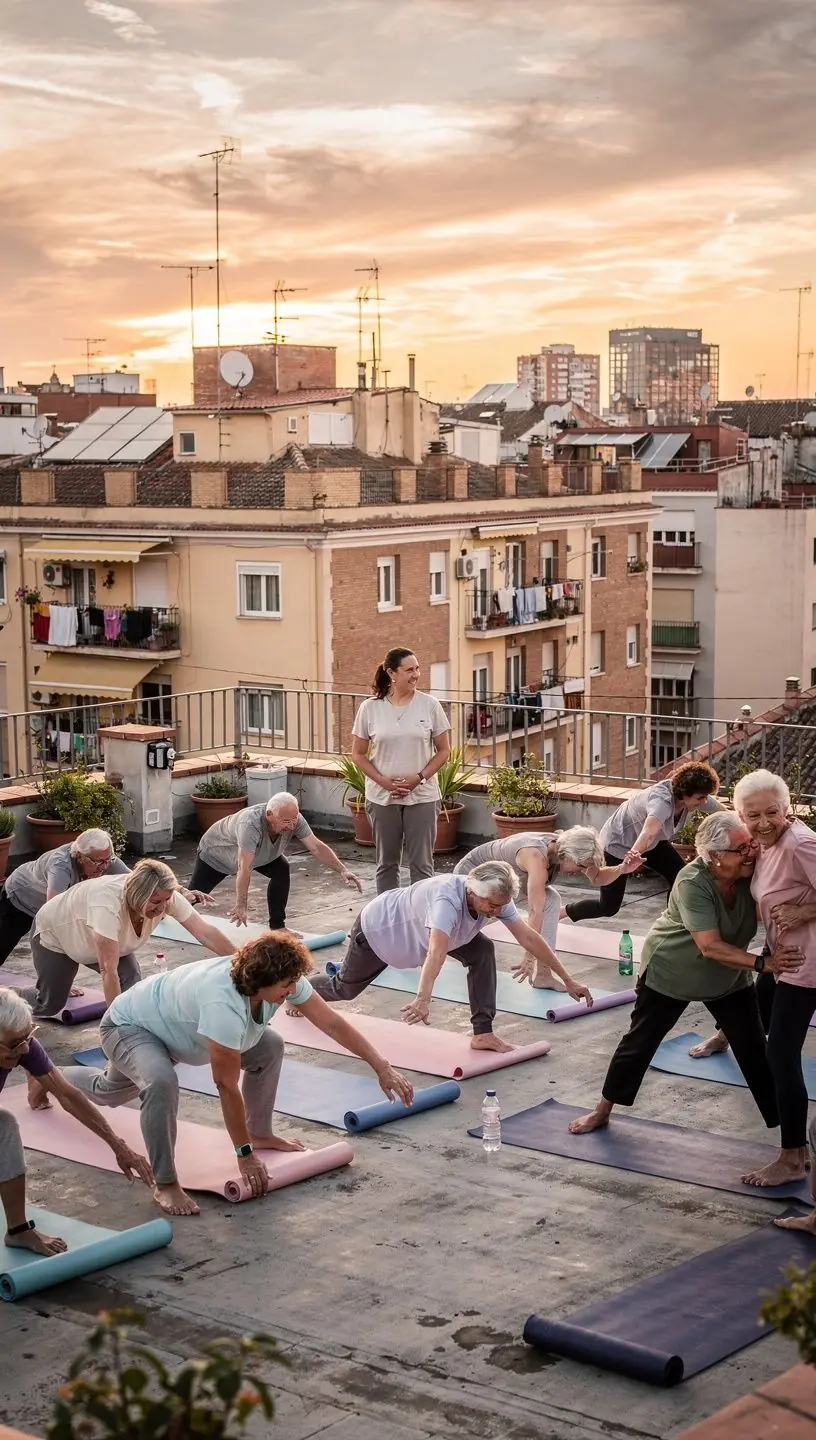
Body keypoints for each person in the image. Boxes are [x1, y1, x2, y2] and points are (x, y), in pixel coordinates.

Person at [64, 932, 415, 1217]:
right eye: (286, 986)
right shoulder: (223, 1004)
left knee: (269, 1046)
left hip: (179, 1028)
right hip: (132, 1027)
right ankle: (165, 1182)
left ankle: (261, 1131)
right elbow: (225, 1085)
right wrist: (243, 1154)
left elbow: (332, 1022)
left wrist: (380, 1065)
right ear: (260, 983)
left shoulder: (282, 981)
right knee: (145, 1085)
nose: (293, 992)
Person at [567, 811, 804, 1137]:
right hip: (671, 971)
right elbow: (709, 946)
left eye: (750, 844)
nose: (751, 851)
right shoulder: (693, 882)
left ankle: (791, 1144)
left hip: (728, 977)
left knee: (755, 1053)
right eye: (742, 848)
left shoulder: (752, 870)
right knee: (640, 1043)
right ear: (717, 857)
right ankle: (601, 1110)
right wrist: (765, 964)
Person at [311, 861, 593, 1051]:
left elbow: (529, 937)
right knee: (344, 990)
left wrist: (567, 979)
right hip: (379, 931)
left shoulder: (495, 898)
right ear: (473, 891)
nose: (497, 911)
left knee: (482, 950)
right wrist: (423, 999)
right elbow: (436, 952)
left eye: (501, 906)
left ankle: (482, 1032)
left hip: (422, 935)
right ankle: (299, 989)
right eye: (492, 906)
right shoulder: (446, 901)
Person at [691, 771, 816, 1189]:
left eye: (771, 813)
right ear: (740, 815)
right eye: (752, 815)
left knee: (780, 1055)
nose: (763, 822)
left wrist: (805, 912)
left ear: (787, 808)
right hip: (781, 957)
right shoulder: (766, 845)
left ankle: (793, 1157)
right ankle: (723, 1036)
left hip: (806, 963)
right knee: (756, 1006)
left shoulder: (801, 843)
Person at [0, 987, 152, 1257]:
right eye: (14, 1043)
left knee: (4, 1126)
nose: (23, 1048)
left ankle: (19, 1230)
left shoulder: (24, 1047)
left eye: (27, 1037)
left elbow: (68, 1095)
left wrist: (118, 1146)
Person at [17, 859, 237, 1020]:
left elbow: (206, 933)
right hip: (56, 933)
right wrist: (117, 1026)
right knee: (48, 1005)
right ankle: (12, 995)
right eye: (155, 901)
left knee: (131, 982)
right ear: (137, 894)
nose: (162, 908)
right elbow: (108, 971)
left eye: (166, 900)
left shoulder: (166, 897)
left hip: (101, 937)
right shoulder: (106, 904)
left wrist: (243, 960)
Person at [454, 827, 643, 991]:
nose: (579, 871)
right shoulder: (536, 856)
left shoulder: (568, 850)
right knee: (458, 931)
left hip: (506, 881)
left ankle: (543, 975)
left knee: (552, 900)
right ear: (567, 855)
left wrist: (622, 869)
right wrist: (529, 954)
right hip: (472, 875)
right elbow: (535, 910)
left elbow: (597, 878)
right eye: (580, 866)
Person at [563, 761, 722, 923]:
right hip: (618, 844)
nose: (704, 801)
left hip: (649, 841)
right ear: (685, 792)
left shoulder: (692, 796)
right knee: (608, 907)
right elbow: (648, 832)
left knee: (680, 876)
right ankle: (563, 912)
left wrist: (741, 821)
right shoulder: (661, 801)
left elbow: (719, 809)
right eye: (701, 798)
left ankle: (671, 924)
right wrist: (631, 858)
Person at [351, 647, 451, 893]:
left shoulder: (430, 705)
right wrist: (383, 782)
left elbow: (444, 751)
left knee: (422, 865)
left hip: (422, 796)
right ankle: (386, 919)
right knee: (387, 863)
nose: (416, 674)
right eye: (409, 670)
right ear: (391, 673)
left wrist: (418, 778)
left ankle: (420, 918)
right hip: (382, 797)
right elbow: (358, 754)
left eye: (417, 668)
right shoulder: (370, 708)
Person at [189, 791, 362, 928]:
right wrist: (241, 905)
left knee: (281, 868)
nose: (291, 826)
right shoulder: (250, 824)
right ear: (270, 814)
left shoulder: (295, 819)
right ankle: (167, 912)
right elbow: (244, 867)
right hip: (216, 855)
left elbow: (316, 847)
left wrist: (342, 869)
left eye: (294, 820)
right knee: (191, 897)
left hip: (260, 855)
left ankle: (278, 925)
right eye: (286, 821)